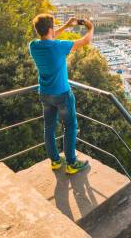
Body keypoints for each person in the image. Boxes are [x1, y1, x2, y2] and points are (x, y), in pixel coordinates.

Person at [29, 14, 94, 174]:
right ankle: (72, 163)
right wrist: (91, 28)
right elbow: (85, 41)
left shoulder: (34, 46)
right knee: (70, 127)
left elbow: (48, 38)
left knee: (49, 128)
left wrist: (66, 26)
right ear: (50, 29)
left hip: (45, 94)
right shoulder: (58, 46)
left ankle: (56, 161)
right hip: (62, 94)